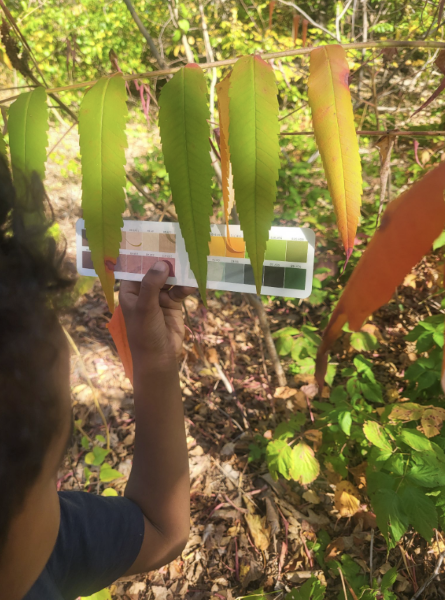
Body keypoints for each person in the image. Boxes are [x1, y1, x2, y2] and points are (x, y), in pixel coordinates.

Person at [0, 156, 193, 600]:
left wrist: (157, 363)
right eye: (54, 472)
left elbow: (160, 529)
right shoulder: (34, 558)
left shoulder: (34, 556)